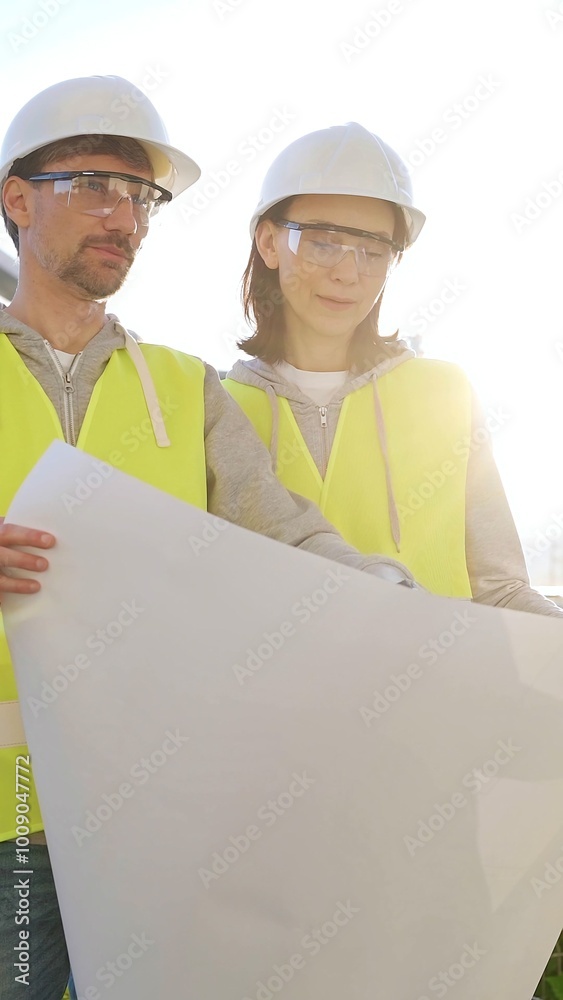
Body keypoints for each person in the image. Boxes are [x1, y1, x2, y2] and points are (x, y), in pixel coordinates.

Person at [0, 82, 418, 1000]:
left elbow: (287, 532)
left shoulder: (183, 387)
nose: (125, 217)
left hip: (147, 811)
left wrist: (391, 602)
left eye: (141, 197)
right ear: (18, 199)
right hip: (8, 825)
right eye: (93, 186)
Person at [224, 122, 562, 617]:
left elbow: (500, 589)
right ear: (270, 244)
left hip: (436, 690)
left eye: (374, 250)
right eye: (323, 242)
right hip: (274, 693)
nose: (349, 272)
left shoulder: (444, 395)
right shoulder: (217, 409)